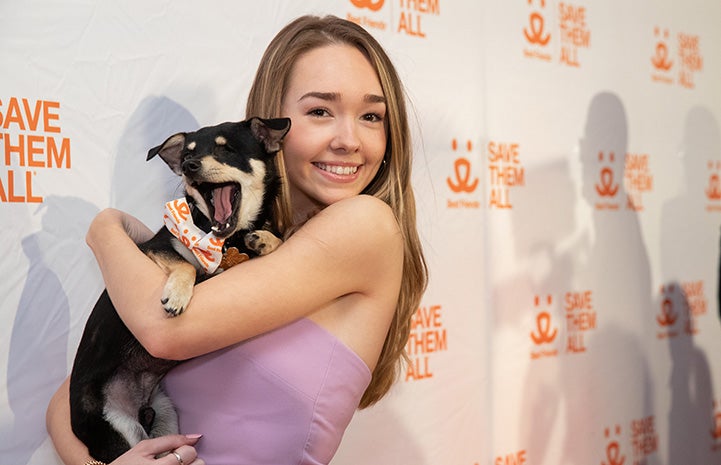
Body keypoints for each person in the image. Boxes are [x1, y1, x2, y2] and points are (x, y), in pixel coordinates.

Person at [46, 14, 428, 465]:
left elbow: (162, 331)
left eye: (371, 115)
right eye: (320, 111)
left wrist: (106, 231)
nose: (349, 139)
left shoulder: (366, 225)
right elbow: (66, 401)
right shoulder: (240, 248)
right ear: (267, 127)